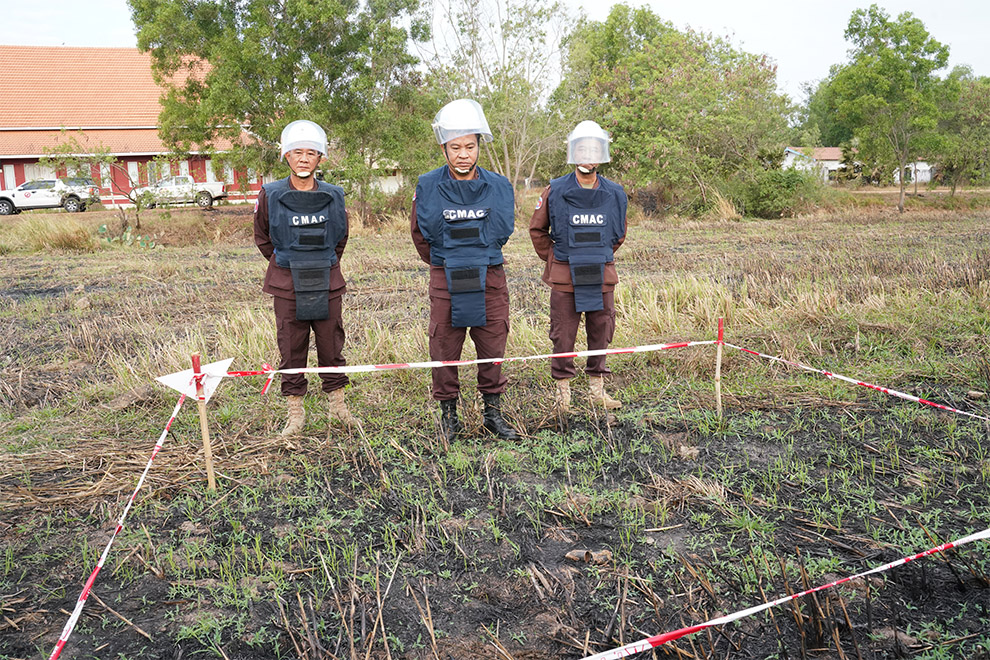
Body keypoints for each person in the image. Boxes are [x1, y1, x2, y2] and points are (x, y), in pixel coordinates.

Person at [411, 99, 520, 442]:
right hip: (446, 277)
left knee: (493, 344)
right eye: (455, 147)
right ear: (444, 147)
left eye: (469, 146)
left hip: (489, 276)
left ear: (478, 145)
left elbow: (502, 230)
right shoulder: (427, 186)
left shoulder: (499, 185)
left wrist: (475, 255)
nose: (463, 154)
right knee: (444, 347)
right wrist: (448, 260)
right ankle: (448, 418)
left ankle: (493, 414)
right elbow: (420, 233)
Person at [254, 119, 359, 436]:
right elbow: (263, 238)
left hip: (326, 283)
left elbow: (340, 237)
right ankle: (295, 413)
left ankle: (338, 406)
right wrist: (289, 265)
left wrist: (321, 264)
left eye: (310, 153)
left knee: (331, 345)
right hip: (287, 285)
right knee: (291, 347)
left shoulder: (335, 195)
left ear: (320, 158)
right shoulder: (269, 195)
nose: (303, 158)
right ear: (286, 155)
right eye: (297, 152)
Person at [529, 120, 628, 415]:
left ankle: (597, 391)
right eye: (582, 148)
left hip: (601, 275)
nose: (588, 154)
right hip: (565, 278)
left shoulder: (615, 193)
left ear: (602, 153)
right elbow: (537, 231)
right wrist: (559, 258)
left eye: (594, 148)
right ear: (573, 151)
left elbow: (618, 234)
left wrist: (595, 255)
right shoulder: (555, 190)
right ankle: (564, 396)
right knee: (563, 334)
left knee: (602, 330)